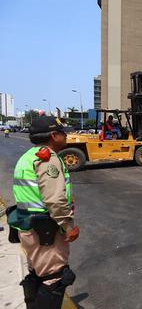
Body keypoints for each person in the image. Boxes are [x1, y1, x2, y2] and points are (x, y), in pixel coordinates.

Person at [7, 116, 79, 308]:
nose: (66, 136)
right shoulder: (47, 159)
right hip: (45, 230)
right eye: (63, 132)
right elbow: (54, 199)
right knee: (54, 278)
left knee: (37, 275)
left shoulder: (29, 156)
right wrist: (67, 226)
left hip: (29, 226)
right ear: (54, 135)